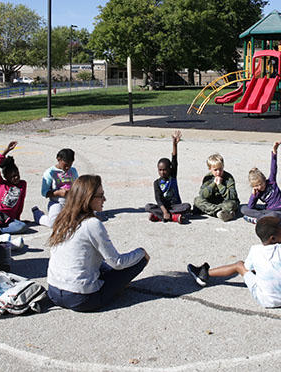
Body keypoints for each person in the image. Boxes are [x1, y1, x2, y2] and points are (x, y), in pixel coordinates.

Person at [47, 175, 150, 312]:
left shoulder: (62, 218)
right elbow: (117, 262)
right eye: (100, 196)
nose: (104, 200)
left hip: (53, 292)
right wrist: (141, 252)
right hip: (81, 299)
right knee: (140, 259)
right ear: (88, 198)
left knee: (101, 265)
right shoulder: (92, 224)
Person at [187, 217, 281, 308]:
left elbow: (247, 268)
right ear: (273, 238)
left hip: (265, 301)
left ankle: (204, 273)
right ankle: (204, 274)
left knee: (239, 265)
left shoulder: (255, 250)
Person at [145, 130, 191, 223]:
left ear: (169, 169)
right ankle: (173, 217)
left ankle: (159, 216)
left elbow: (174, 159)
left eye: (165, 169)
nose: (162, 172)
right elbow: (158, 199)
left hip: (175, 206)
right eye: (160, 170)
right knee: (148, 207)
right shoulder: (156, 183)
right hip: (163, 207)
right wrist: (165, 211)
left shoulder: (172, 176)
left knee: (187, 207)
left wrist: (174, 145)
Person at [240, 141, 281, 224]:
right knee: (243, 208)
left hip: (279, 211)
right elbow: (251, 207)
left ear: (265, 179)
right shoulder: (258, 192)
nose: (259, 187)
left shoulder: (271, 182)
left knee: (274, 215)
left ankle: (257, 220)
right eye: (256, 185)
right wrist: (253, 195)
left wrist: (274, 152)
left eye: (260, 184)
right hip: (267, 210)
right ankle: (261, 217)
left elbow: (273, 167)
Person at [32, 148, 78, 228]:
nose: (67, 168)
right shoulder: (50, 173)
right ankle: (38, 215)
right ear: (58, 159)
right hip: (56, 202)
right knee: (54, 223)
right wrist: (58, 193)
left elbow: (78, 185)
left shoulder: (73, 171)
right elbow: (44, 192)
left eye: (70, 165)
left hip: (71, 202)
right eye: (66, 165)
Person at [0, 141, 28, 234]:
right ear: (6, 177)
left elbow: (21, 202)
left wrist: (17, 218)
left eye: (17, 175)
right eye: (13, 176)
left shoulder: (22, 185)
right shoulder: (1, 183)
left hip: (8, 218)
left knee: (22, 227)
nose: (16, 178)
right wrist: (6, 151)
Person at [193, 153, 240, 222]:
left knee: (232, 204)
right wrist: (213, 184)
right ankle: (219, 213)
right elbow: (203, 194)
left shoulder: (228, 178)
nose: (218, 172)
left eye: (220, 169)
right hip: (212, 201)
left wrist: (220, 185)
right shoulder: (208, 178)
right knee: (197, 200)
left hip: (224, 201)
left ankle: (209, 210)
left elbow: (232, 196)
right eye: (215, 170)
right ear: (210, 169)